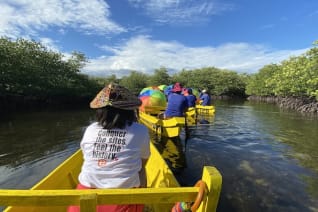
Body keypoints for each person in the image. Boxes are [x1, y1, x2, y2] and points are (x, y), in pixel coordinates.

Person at [68, 83, 150, 212]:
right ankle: (142, 202)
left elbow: (86, 156)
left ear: (100, 110)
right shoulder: (140, 130)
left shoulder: (91, 129)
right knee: (141, 171)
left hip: (83, 200)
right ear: (129, 110)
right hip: (122, 201)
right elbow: (143, 163)